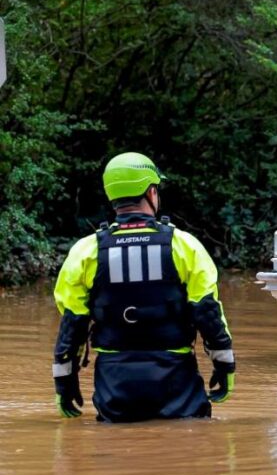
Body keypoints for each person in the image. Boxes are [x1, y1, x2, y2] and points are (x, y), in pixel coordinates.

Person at [52, 152, 235, 422]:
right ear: (151, 191)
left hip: (115, 385)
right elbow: (207, 311)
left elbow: (72, 324)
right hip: (176, 381)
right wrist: (224, 365)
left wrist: (65, 381)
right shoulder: (184, 245)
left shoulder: (85, 251)